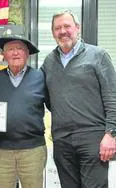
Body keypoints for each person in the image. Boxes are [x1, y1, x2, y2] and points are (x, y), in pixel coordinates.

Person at [41, 10, 116, 188]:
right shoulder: (49, 62)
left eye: (67, 26)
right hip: (62, 141)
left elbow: (112, 97)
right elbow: (50, 100)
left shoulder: (98, 55)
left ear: (77, 28)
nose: (62, 31)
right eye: (57, 28)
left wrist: (111, 134)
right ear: (53, 33)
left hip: (93, 138)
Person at [0, 34, 49, 188]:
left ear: (27, 54)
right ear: (4, 55)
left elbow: (56, 106)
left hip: (33, 150)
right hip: (1, 149)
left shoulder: (41, 77)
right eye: (10, 49)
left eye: (20, 49)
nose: (15, 53)